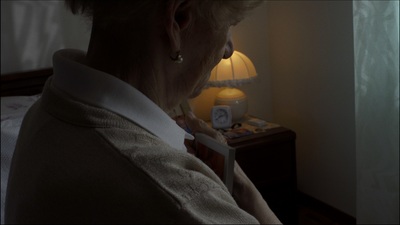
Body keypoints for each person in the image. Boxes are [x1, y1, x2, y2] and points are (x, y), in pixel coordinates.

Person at [5, 1, 281, 224]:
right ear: (179, 19)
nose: (228, 49)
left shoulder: (45, 114)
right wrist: (243, 193)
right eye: (229, 26)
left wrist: (237, 182)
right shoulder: (184, 199)